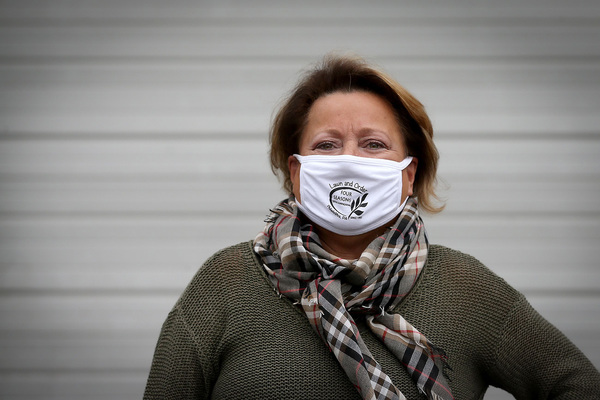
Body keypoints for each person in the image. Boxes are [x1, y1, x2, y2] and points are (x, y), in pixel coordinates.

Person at [143, 54, 600, 400]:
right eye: (327, 145)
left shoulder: (467, 288)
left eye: (374, 144)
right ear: (297, 171)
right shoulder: (225, 283)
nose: (349, 160)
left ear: (408, 174)